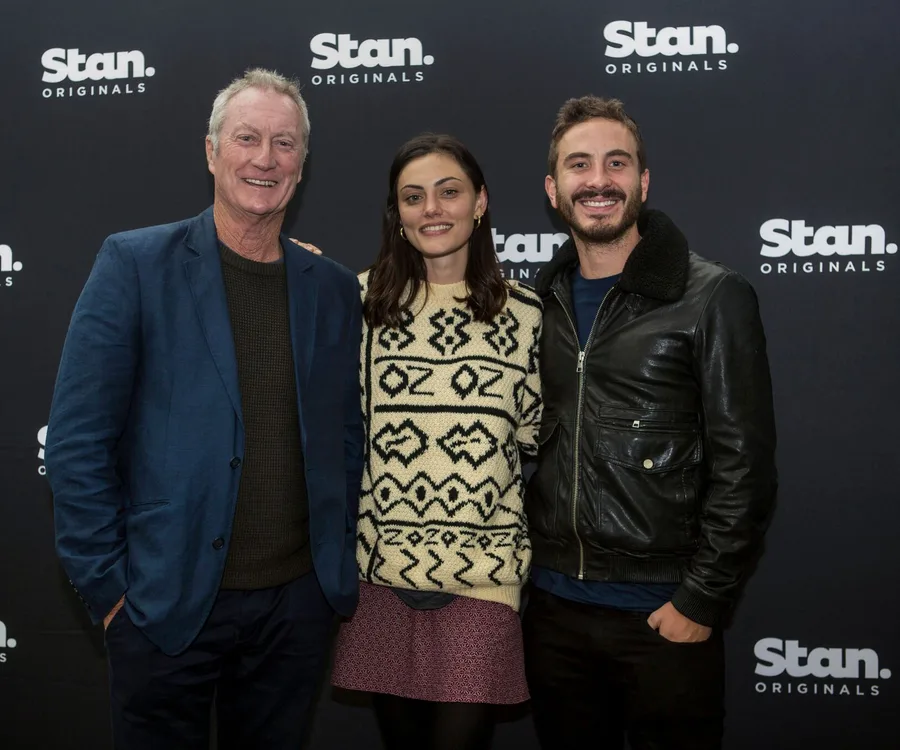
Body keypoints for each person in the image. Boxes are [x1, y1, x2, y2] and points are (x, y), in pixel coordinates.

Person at [44, 68, 364, 750]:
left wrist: (328, 573)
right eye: (246, 138)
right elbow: (76, 441)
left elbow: (344, 434)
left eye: (284, 143)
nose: (264, 158)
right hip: (163, 603)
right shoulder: (134, 264)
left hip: (295, 610)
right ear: (212, 151)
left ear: (302, 165)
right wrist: (111, 593)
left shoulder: (332, 288)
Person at [522, 95, 777, 750]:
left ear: (642, 181)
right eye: (579, 165)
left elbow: (744, 468)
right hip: (552, 616)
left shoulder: (712, 297)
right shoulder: (531, 306)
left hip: (662, 618)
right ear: (554, 189)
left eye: (616, 163)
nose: (598, 180)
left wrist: (700, 601)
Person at [328, 133, 542, 750]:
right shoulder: (357, 303)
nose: (433, 209)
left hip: (485, 579)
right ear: (396, 216)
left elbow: (535, 437)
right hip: (378, 576)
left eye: (449, 192)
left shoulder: (527, 314)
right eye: (413, 197)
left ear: (480, 203)